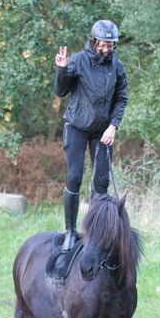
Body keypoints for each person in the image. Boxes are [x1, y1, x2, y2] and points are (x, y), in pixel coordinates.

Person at [54, 19, 128, 252]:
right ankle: (69, 232)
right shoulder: (78, 60)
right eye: (102, 44)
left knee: (101, 184)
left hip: (103, 131)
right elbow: (60, 90)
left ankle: (96, 233)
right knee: (74, 177)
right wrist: (62, 69)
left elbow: (121, 99)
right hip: (76, 126)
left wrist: (113, 126)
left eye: (110, 45)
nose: (105, 49)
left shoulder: (116, 67)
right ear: (94, 41)